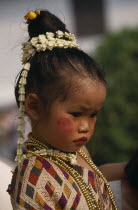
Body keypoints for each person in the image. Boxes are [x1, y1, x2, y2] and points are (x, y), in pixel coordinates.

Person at [8, 10, 118, 209]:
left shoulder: (79, 152)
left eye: (93, 115)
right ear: (34, 106)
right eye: (76, 114)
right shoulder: (32, 175)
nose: (85, 126)